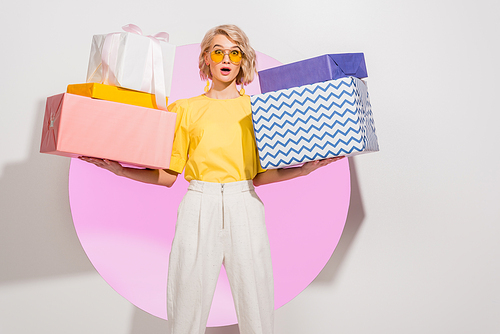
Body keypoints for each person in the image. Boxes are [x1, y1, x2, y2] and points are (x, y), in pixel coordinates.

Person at [80, 24, 343, 334]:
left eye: (235, 52)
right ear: (206, 58)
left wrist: (304, 169)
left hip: (243, 202)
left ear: (243, 60)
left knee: (256, 296)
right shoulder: (185, 110)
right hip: (198, 204)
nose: (226, 58)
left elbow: (259, 176)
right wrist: (119, 169)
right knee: (187, 296)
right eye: (218, 51)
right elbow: (168, 176)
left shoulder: (256, 110)